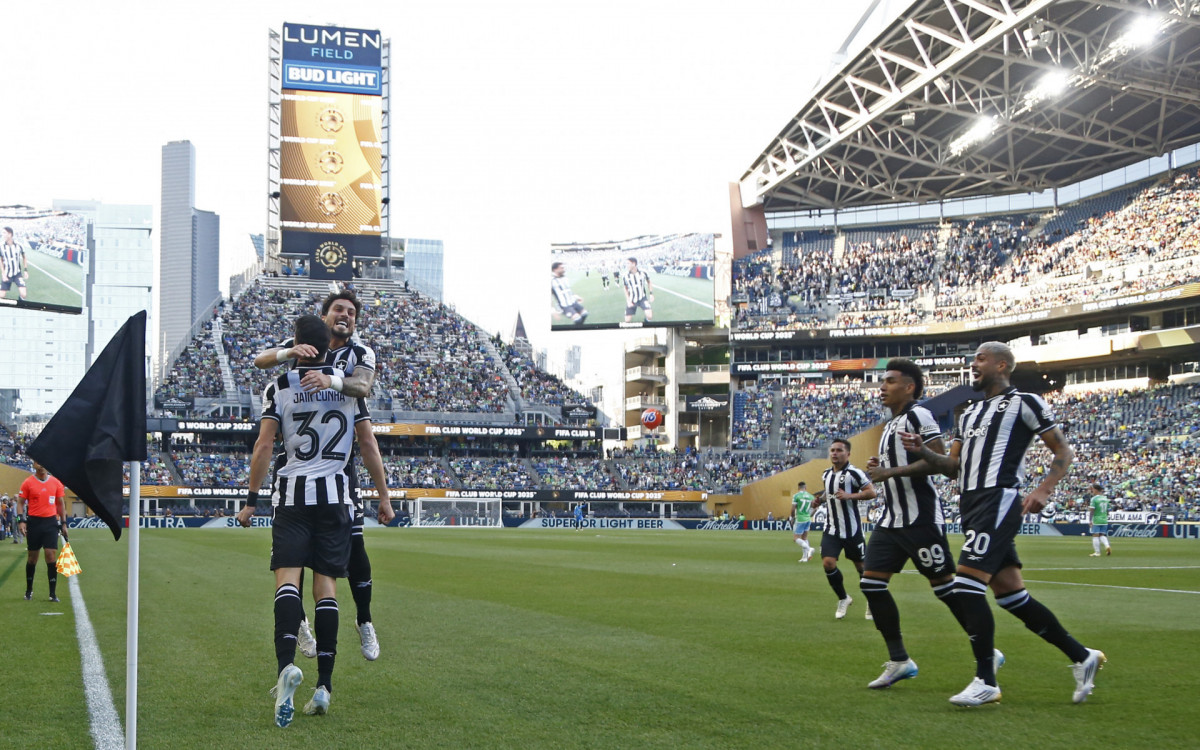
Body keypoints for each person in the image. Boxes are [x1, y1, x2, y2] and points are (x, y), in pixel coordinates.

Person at [903, 341, 1104, 705]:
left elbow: (1062, 449)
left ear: (1002, 365)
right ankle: (1082, 656)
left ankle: (986, 680)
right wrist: (922, 450)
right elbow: (953, 468)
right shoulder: (968, 414)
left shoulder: (1025, 402)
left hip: (999, 499)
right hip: (971, 503)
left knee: (965, 585)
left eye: (980, 358)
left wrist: (1044, 488)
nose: (973, 364)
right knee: (1012, 596)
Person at [237, 314, 391, 727]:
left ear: (297, 343)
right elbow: (367, 443)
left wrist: (251, 500)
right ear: (328, 346)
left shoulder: (280, 386)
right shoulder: (346, 385)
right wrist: (384, 496)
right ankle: (324, 685)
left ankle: (287, 665)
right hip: (336, 499)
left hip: (291, 497)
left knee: (288, 581)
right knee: (326, 588)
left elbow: (264, 446)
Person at [861, 359, 1002, 692]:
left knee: (947, 590)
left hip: (920, 519)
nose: (882, 387)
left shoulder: (918, 415)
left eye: (890, 381)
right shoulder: (891, 424)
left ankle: (986, 651)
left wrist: (889, 473)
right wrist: (881, 466)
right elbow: (901, 464)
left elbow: (939, 463)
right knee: (871, 584)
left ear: (909, 387)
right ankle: (899, 660)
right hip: (891, 519)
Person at [814, 439, 877, 619]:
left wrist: (851, 495)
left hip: (852, 530)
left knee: (862, 568)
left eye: (839, 450)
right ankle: (843, 598)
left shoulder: (855, 473)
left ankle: (872, 601)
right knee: (828, 563)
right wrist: (819, 500)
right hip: (831, 529)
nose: (834, 453)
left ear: (847, 454)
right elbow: (829, 493)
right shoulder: (826, 474)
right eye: (832, 450)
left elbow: (872, 492)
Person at [17, 461, 68, 602]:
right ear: (33, 465)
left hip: (51, 523)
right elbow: (20, 503)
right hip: (34, 523)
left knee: (51, 556)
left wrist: (64, 523)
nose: (41, 465)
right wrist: (21, 520)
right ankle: (29, 591)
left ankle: (52, 593)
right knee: (32, 558)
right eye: (38, 462)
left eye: (43, 462)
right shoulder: (27, 483)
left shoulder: (56, 483)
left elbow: (60, 503)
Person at [0, 226, 29, 301]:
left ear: (10, 234)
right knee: (1, 295)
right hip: (7, 274)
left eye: (4, 233)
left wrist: (25, 270)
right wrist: (3, 274)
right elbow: (1, 260)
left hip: (17, 274)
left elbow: (24, 257)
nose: (2, 234)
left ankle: (20, 305)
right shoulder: (1, 246)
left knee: (24, 294)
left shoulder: (19, 245)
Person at [621, 257, 653, 323]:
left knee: (649, 316)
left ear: (634, 264)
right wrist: (628, 301)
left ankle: (646, 323)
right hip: (632, 299)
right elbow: (625, 288)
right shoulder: (625, 275)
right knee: (627, 320)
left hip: (642, 298)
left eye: (628, 263)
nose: (626, 265)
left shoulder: (643, 272)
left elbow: (649, 282)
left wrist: (651, 294)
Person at [790, 481, 816, 563]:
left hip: (800, 519)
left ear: (798, 488)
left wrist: (793, 517)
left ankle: (809, 548)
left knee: (796, 538)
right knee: (804, 538)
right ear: (806, 487)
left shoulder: (796, 496)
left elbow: (793, 508)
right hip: (808, 519)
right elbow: (815, 508)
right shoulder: (811, 496)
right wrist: (810, 515)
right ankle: (805, 557)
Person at [1088, 483, 1112, 557]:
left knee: (1095, 535)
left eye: (1092, 489)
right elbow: (1108, 511)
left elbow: (1092, 510)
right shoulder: (1105, 499)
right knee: (1102, 534)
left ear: (1095, 490)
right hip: (1104, 520)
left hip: (1097, 519)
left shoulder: (1094, 499)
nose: (1092, 491)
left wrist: (1090, 520)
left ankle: (1097, 552)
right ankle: (1107, 545)